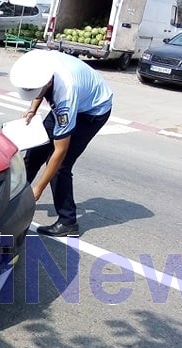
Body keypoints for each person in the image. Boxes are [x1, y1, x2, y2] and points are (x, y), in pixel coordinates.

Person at [9, 49, 113, 237]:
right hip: (76, 94)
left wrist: (38, 189)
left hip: (92, 111)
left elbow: (60, 151)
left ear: (47, 83)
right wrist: (32, 110)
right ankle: (15, 196)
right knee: (36, 150)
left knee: (59, 166)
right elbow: (38, 87)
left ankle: (68, 222)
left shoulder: (65, 96)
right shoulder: (39, 62)